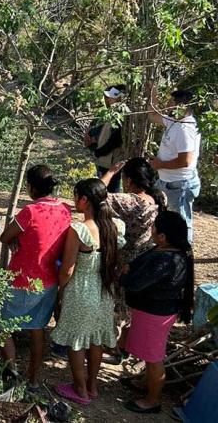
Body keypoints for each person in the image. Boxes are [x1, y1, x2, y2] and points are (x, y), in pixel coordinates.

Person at [51, 178, 125, 406]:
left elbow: (68, 269)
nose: (74, 201)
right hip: (104, 291)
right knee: (95, 340)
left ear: (84, 200)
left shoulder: (80, 229)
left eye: (75, 196)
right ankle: (92, 386)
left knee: (76, 341)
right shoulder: (116, 226)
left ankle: (79, 390)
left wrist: (59, 290)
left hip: (81, 291)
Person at [0, 165, 70, 388]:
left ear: (30, 187)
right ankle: (33, 379)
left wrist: (13, 240)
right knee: (37, 329)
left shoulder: (30, 212)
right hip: (48, 281)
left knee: (3, 326)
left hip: (21, 279)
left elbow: (5, 236)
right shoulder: (65, 210)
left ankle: (12, 372)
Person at [120, 211, 194, 414]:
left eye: (154, 227)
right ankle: (145, 382)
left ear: (162, 236)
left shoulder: (167, 260)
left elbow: (136, 283)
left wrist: (125, 276)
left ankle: (152, 400)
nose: (151, 229)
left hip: (156, 314)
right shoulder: (166, 250)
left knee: (154, 358)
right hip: (153, 311)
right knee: (149, 352)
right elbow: (137, 266)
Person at [98, 157, 167, 365]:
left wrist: (110, 173)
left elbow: (94, 192)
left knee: (118, 308)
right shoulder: (159, 197)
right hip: (146, 258)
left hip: (127, 261)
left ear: (129, 180)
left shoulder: (130, 201)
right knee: (132, 308)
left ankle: (113, 348)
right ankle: (124, 349)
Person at [148, 89, 201, 242]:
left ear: (181, 106)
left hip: (179, 185)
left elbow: (185, 161)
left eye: (170, 103)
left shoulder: (185, 128)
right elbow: (153, 116)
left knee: (182, 222)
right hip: (168, 182)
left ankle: (184, 255)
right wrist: (152, 92)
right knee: (168, 219)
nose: (167, 105)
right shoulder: (174, 121)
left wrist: (160, 164)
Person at [84, 85, 124, 193]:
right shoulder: (110, 114)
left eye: (110, 98)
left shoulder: (120, 115)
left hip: (111, 161)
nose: (108, 100)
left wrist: (99, 152)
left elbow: (116, 140)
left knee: (111, 190)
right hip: (104, 160)